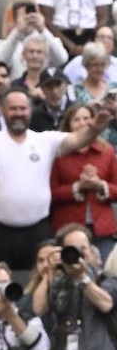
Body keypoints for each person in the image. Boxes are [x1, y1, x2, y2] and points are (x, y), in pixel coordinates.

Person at [0, 90, 113, 270]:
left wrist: (95, 127)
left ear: (30, 110)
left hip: (37, 231)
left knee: (42, 281)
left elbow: (78, 139)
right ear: (3, 111)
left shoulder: (45, 141)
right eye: (13, 109)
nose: (18, 113)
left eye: (23, 108)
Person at [50, 104, 117, 262]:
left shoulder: (106, 150)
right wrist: (77, 187)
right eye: (76, 119)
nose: (82, 123)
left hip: (102, 228)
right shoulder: (59, 152)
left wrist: (100, 185)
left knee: (105, 272)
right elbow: (50, 193)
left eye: (86, 118)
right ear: (68, 124)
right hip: (67, 226)